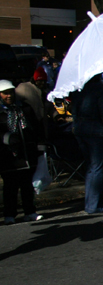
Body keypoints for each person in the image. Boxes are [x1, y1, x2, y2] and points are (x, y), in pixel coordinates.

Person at [70, 74, 103, 214]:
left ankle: (93, 202)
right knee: (97, 167)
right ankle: (94, 204)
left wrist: (76, 126)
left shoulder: (78, 88)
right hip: (96, 131)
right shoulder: (100, 89)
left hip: (81, 129)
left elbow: (73, 110)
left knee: (91, 167)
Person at [0, 79, 43, 224]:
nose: (9, 96)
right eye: (5, 93)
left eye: (10, 92)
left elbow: (35, 127)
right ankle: (9, 214)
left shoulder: (24, 108)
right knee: (10, 186)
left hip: (26, 152)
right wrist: (6, 137)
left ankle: (30, 211)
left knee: (27, 184)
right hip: (7, 156)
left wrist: (39, 144)